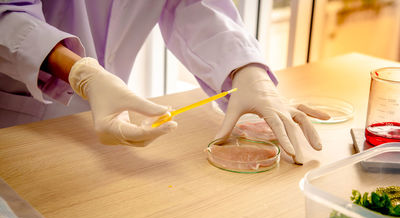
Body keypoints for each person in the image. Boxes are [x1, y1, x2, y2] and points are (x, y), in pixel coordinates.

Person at [0, 0, 328, 164]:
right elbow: (7, 14)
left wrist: (247, 72)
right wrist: (82, 74)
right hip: (22, 127)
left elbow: (192, 4)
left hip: (108, 149)